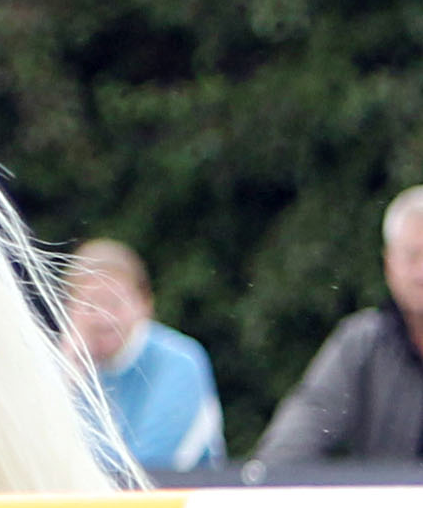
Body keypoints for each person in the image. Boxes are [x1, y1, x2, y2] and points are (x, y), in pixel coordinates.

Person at [255, 187, 423, 465]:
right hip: (388, 507)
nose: (421, 272)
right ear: (388, 264)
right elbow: (301, 430)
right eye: (411, 256)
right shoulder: (362, 343)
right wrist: (264, 484)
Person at [61, 238, 224, 473]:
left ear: (144, 304)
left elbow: (151, 467)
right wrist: (66, 382)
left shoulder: (180, 362)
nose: (103, 318)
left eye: (114, 304)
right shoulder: (68, 369)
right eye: (90, 305)